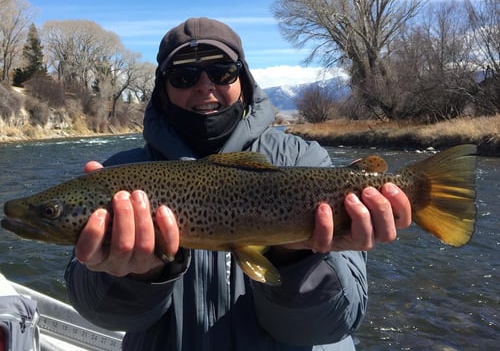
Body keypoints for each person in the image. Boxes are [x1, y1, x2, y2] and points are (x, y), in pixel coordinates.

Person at [65, 17, 412, 350]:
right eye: (184, 77)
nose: (205, 86)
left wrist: (294, 258)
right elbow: (102, 315)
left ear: (243, 83)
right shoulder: (120, 178)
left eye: (221, 72)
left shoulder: (305, 160)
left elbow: (334, 323)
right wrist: (135, 277)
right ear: (162, 91)